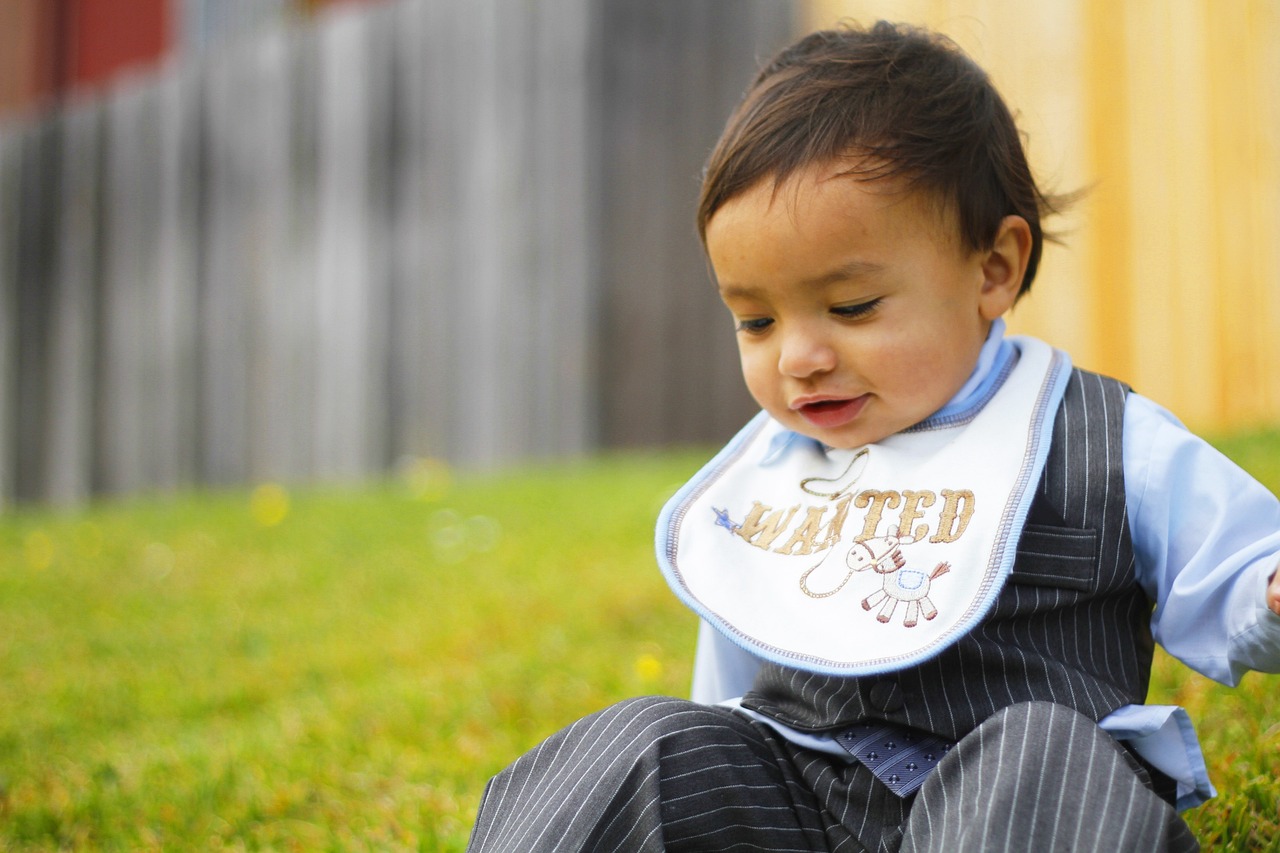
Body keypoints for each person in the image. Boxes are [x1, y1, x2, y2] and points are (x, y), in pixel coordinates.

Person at [468, 21, 1280, 852]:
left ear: (993, 268)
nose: (800, 356)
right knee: (644, 742)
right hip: (796, 799)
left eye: (851, 307)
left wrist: (1269, 585)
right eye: (755, 319)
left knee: (1042, 750)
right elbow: (732, 686)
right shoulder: (770, 477)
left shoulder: (1097, 436)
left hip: (1009, 803)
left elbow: (1239, 567)